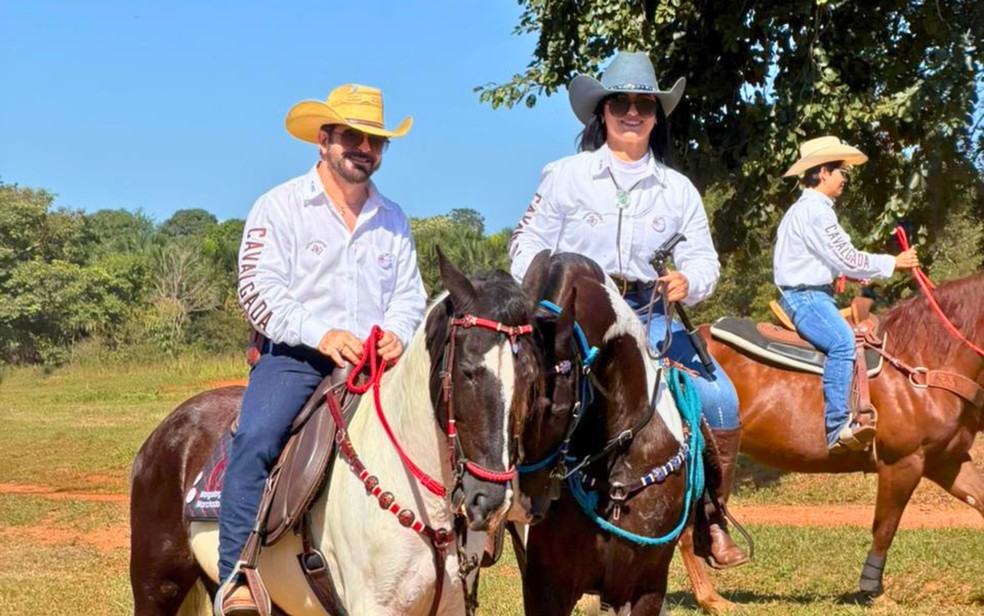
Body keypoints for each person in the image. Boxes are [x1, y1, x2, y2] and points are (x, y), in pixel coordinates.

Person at [509, 51, 747, 569]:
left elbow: (705, 261)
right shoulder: (564, 175)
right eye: (621, 102)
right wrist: (550, 284)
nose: (632, 112)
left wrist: (690, 281)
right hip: (574, 316)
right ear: (603, 111)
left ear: (657, 115)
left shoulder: (679, 190)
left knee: (720, 399)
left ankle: (710, 517)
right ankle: (509, 497)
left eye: (645, 104)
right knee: (520, 388)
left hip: (649, 313)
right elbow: (524, 244)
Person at [217, 83, 427, 615]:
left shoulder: (393, 217)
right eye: (352, 137)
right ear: (323, 140)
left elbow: (410, 295)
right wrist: (322, 334)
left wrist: (399, 332)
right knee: (257, 438)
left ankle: (452, 557)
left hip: (378, 363)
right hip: (298, 358)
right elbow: (257, 290)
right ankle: (237, 574)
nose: (364, 148)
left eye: (375, 141)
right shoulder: (280, 206)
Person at [775, 136, 918, 452]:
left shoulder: (806, 210)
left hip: (809, 295)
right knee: (842, 343)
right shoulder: (816, 211)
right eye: (841, 171)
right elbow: (848, 258)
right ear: (823, 172)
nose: (845, 179)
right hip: (807, 298)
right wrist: (893, 262)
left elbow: (835, 262)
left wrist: (859, 271)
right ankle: (838, 427)